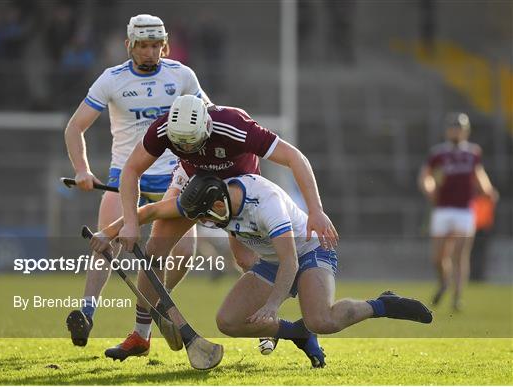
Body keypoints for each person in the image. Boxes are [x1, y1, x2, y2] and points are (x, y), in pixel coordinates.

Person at [90, 173, 433, 368]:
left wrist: (271, 307)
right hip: (272, 261)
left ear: (220, 205)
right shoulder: (207, 199)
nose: (205, 224)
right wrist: (110, 231)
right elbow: (151, 211)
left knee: (321, 319)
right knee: (228, 322)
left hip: (309, 251)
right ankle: (297, 334)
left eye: (207, 218)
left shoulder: (265, 205)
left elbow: (291, 263)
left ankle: (383, 305)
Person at [108, 94, 339, 361]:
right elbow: (131, 170)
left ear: (206, 128)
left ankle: (282, 326)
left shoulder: (233, 125)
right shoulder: (163, 129)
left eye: (194, 145)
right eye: (182, 147)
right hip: (192, 184)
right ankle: (140, 334)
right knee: (155, 248)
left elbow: (294, 158)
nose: (190, 151)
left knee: (245, 259)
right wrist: (129, 221)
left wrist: (316, 210)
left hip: (236, 189)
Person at [64, 14, 210, 347]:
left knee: (185, 250)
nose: (149, 52)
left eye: (155, 45)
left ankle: (154, 305)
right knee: (106, 244)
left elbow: (208, 114)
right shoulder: (111, 79)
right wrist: (82, 169)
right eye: (142, 45)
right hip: (124, 176)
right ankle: (86, 313)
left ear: (165, 44)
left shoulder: (182, 75)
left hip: (174, 178)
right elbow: (75, 128)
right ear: (129, 45)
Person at [418, 112, 498, 311]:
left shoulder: (472, 153)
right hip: (443, 209)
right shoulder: (438, 153)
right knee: (438, 257)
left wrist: (487, 190)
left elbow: (478, 174)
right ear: (448, 130)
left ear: (465, 131)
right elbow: (425, 175)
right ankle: (444, 282)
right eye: (453, 127)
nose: (456, 131)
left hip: (464, 210)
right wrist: (428, 188)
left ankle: (457, 297)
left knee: (460, 254)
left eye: (459, 127)